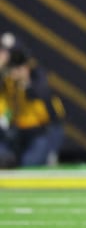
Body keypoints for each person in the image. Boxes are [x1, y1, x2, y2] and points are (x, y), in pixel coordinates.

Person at [0, 33, 65, 168]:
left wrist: (26, 82)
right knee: (4, 159)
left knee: (30, 165)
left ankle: (49, 155)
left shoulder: (37, 75)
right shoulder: (5, 78)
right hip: (14, 131)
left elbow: (55, 116)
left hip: (40, 131)